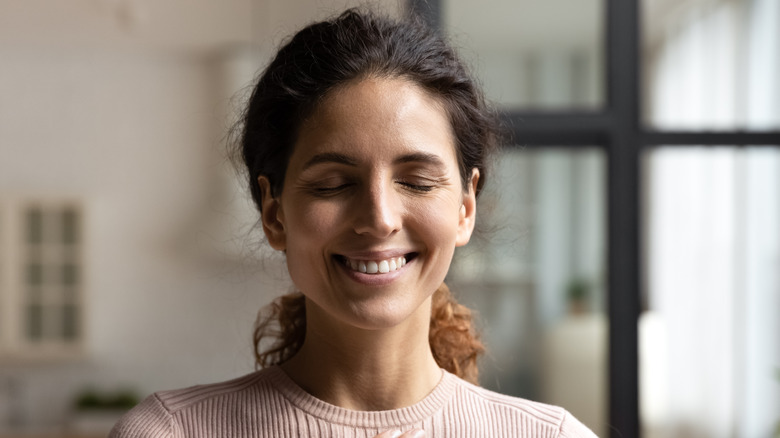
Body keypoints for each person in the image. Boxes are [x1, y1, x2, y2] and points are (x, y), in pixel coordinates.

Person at [110, 8, 598, 438]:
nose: (380, 219)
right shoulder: (169, 432)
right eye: (332, 184)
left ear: (465, 209)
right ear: (273, 212)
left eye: (417, 181)